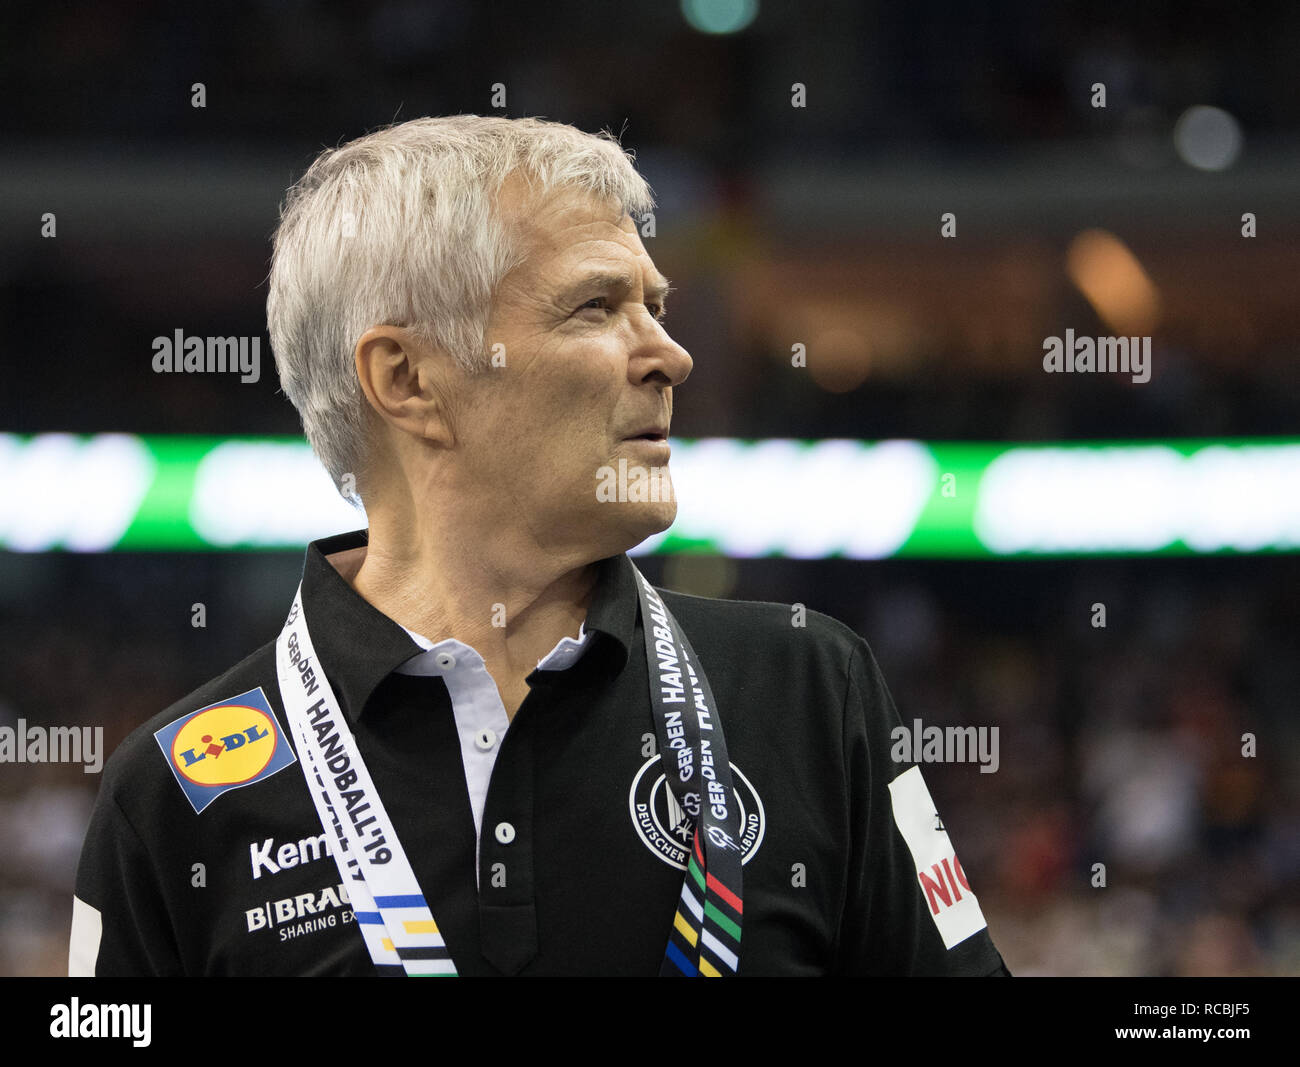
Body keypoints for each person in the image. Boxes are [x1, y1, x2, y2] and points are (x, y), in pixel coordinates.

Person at [70, 115, 1010, 976]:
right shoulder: (170, 798)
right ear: (407, 379)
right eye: (596, 308)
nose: (669, 354)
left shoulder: (810, 691)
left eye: (655, 304)